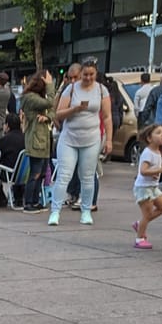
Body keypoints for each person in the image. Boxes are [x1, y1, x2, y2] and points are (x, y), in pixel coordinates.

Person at [49, 60, 111, 226]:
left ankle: (86, 211)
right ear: (80, 74)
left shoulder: (101, 90)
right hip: (69, 137)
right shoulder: (71, 89)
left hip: (91, 138)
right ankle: (55, 211)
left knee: (88, 176)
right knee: (64, 175)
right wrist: (75, 109)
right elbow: (58, 114)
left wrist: (109, 139)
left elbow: (107, 116)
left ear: (96, 74)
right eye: (85, 75)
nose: (88, 78)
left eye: (92, 74)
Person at [132, 123, 162, 248]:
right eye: (158, 132)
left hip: (152, 186)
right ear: (149, 138)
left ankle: (140, 224)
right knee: (147, 214)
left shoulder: (158, 152)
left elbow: (151, 170)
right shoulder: (148, 152)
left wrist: (156, 174)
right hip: (144, 188)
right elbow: (143, 171)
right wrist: (161, 170)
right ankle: (139, 238)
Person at [18, 73, 52, 212]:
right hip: (36, 139)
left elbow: (52, 110)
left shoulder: (35, 98)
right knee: (35, 173)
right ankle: (29, 202)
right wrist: (50, 85)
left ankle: (35, 200)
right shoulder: (31, 98)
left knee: (42, 172)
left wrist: (48, 117)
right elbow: (50, 103)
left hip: (43, 139)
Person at [0, 112, 26, 208]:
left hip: (10, 174)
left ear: (7, 125)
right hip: (25, 173)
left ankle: (1, 198)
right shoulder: (26, 138)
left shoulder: (4, 140)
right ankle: (18, 198)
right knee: (17, 164)